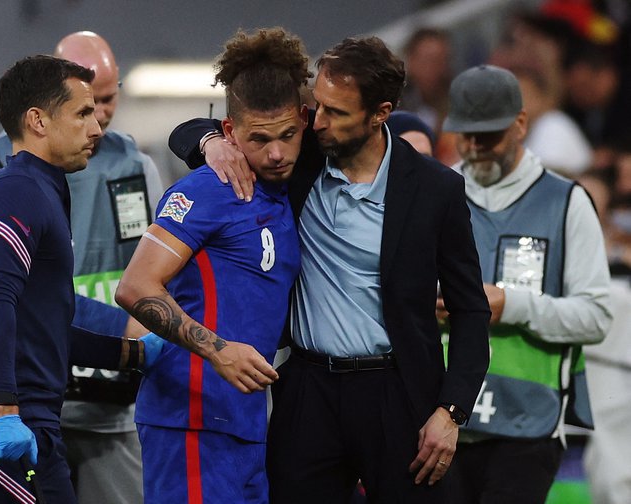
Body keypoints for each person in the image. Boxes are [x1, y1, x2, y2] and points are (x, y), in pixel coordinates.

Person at [168, 35, 490, 503]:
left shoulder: (435, 189)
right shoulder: (298, 160)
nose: (317, 122)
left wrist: (452, 411)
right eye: (317, 105)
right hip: (307, 390)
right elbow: (192, 129)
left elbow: (470, 310)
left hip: (399, 394)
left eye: (336, 113)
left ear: (380, 113)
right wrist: (212, 141)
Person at [114, 27, 309, 503]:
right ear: (228, 134)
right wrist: (219, 350)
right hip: (188, 418)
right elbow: (135, 287)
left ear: (305, 121)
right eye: (259, 139)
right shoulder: (210, 189)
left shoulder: (289, 188)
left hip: (245, 421)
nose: (277, 152)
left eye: (287, 135)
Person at [0, 31, 164, 504]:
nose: (97, 127)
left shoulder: (44, 189)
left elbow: (46, 318)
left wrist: (135, 355)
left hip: (37, 416)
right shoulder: (13, 190)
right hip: (13, 422)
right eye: (82, 113)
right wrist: (3, 412)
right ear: (37, 121)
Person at [439, 64, 612, 504]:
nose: (475, 148)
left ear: (520, 124)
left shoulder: (567, 202)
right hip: (441, 420)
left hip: (528, 425)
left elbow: (595, 317)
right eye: (466, 135)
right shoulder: (437, 193)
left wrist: (509, 304)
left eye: (488, 136)